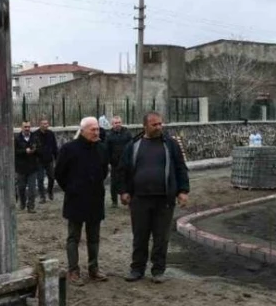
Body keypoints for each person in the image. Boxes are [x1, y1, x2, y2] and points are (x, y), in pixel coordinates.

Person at [117, 111, 189, 283]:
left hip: (164, 199)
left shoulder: (170, 145)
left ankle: (158, 270)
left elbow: (181, 168)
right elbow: (122, 170)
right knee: (140, 236)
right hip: (140, 199)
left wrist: (183, 191)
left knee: (161, 237)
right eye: (154, 124)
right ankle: (137, 269)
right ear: (145, 126)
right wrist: (124, 191)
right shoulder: (133, 145)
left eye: (160, 124)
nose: (159, 127)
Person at [54, 117, 109, 285]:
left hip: (95, 199)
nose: (96, 132)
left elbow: (104, 171)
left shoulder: (101, 148)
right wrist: (71, 188)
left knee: (94, 237)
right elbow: (59, 173)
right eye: (93, 129)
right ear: (83, 130)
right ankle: (73, 271)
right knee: (73, 237)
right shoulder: (69, 149)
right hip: (75, 199)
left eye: (98, 129)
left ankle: (94, 269)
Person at [104, 115, 132, 207]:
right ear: (112, 124)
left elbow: (132, 146)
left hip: (127, 162)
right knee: (114, 183)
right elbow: (106, 150)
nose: (118, 124)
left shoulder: (127, 133)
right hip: (115, 163)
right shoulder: (109, 135)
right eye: (116, 123)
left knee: (128, 181)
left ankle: (128, 199)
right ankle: (114, 202)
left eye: (119, 122)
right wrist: (108, 161)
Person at [14, 120, 40, 213]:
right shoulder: (17, 139)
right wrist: (25, 151)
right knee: (21, 188)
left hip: (32, 167)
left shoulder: (35, 137)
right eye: (25, 127)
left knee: (32, 189)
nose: (27, 129)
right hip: (21, 168)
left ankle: (31, 206)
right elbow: (15, 152)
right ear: (21, 128)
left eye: (28, 127)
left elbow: (39, 149)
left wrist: (35, 150)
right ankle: (23, 203)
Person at [33, 118, 58, 202]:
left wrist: (56, 157)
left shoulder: (51, 134)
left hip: (49, 160)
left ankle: (50, 191)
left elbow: (54, 146)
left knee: (51, 177)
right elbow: (33, 147)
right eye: (43, 124)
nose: (45, 125)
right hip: (39, 160)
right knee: (40, 179)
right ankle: (42, 196)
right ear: (40, 124)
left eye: (46, 123)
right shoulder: (35, 134)